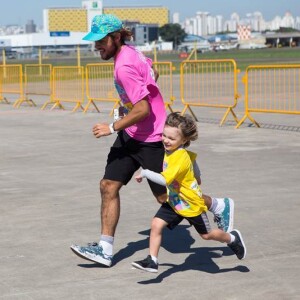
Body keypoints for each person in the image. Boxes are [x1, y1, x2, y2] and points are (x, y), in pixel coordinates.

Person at [70, 14, 234, 268]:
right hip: (131, 136)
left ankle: (216, 204)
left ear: (115, 38)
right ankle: (104, 248)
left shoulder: (124, 66)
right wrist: (130, 106)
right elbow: (153, 73)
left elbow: (144, 109)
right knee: (108, 185)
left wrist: (112, 126)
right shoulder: (132, 54)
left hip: (152, 139)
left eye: (101, 41)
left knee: (168, 197)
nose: (97, 46)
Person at [131, 112, 246, 273]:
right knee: (156, 224)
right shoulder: (173, 151)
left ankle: (232, 238)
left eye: (171, 138)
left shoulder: (179, 156)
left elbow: (165, 180)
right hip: (175, 201)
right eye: (164, 135)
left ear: (184, 140)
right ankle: (152, 260)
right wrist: (197, 176)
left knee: (207, 235)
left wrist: (145, 173)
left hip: (191, 205)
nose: (165, 140)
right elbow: (193, 160)